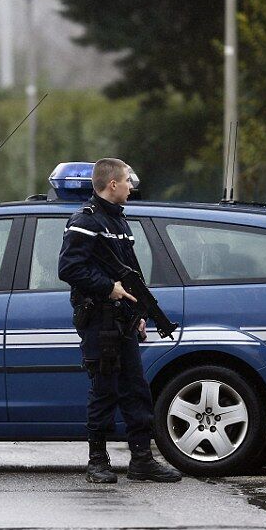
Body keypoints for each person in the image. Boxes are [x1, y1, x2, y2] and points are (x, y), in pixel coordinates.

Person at [58, 158, 182, 484]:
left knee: (136, 390)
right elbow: (69, 269)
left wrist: (139, 314)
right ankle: (97, 461)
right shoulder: (84, 221)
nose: (131, 186)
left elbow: (131, 275)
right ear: (112, 184)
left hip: (122, 321)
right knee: (104, 389)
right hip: (98, 319)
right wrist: (108, 288)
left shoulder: (120, 223)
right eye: (127, 181)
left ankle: (142, 460)